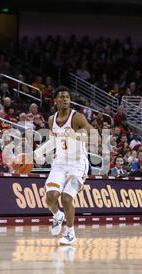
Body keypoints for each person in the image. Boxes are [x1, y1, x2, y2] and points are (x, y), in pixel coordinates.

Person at [33, 86, 98, 245]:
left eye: (67, 97)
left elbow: (97, 138)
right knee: (51, 198)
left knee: (67, 198)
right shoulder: (51, 120)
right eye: (61, 97)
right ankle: (57, 216)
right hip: (60, 164)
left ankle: (70, 232)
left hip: (78, 165)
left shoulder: (78, 118)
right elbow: (54, 141)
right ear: (55, 101)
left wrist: (76, 137)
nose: (65, 99)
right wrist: (39, 152)